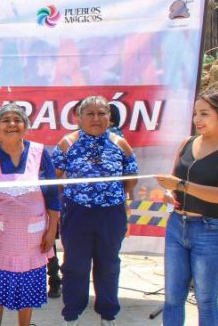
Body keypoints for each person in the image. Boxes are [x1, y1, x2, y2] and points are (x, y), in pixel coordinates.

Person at [155, 91, 218, 326]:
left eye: (205, 114)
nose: (198, 119)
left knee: (206, 299)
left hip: (213, 230)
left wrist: (181, 186)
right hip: (177, 225)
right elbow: (175, 181)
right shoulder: (187, 143)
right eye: (196, 113)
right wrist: (171, 193)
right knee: (173, 298)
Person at [0, 104, 60, 326]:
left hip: (32, 240)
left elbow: (52, 197)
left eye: (17, 120)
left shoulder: (40, 154)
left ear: (26, 126)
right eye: (5, 120)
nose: (12, 124)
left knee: (28, 287)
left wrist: (52, 232)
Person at [53, 96, 139, 326]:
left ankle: (107, 315)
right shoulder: (67, 143)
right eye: (90, 114)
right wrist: (73, 195)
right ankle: (72, 315)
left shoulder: (120, 143)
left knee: (108, 264)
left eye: (102, 113)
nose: (96, 118)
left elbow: (131, 179)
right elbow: (54, 177)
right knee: (74, 265)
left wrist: (112, 194)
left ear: (110, 118)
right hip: (77, 214)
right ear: (79, 118)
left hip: (111, 214)